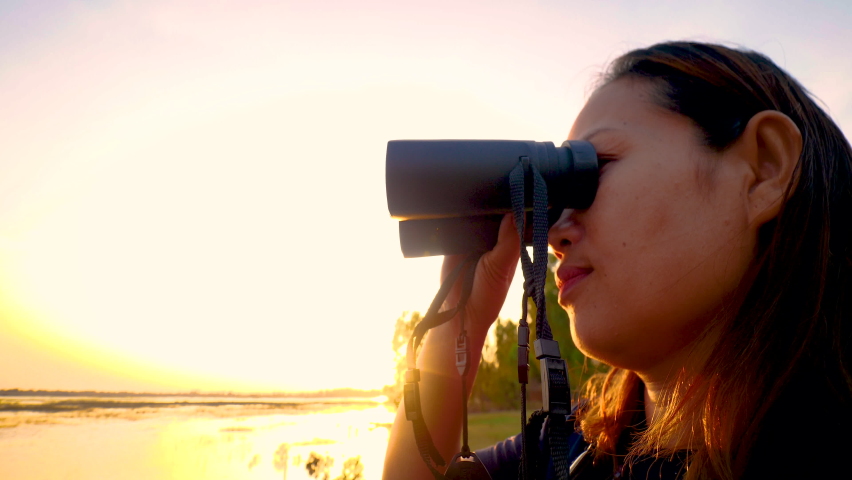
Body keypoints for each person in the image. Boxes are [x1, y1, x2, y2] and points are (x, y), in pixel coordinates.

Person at [382, 41, 852, 480]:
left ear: (764, 169)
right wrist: (454, 326)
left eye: (592, 168)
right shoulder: (564, 451)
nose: (555, 233)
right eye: (554, 196)